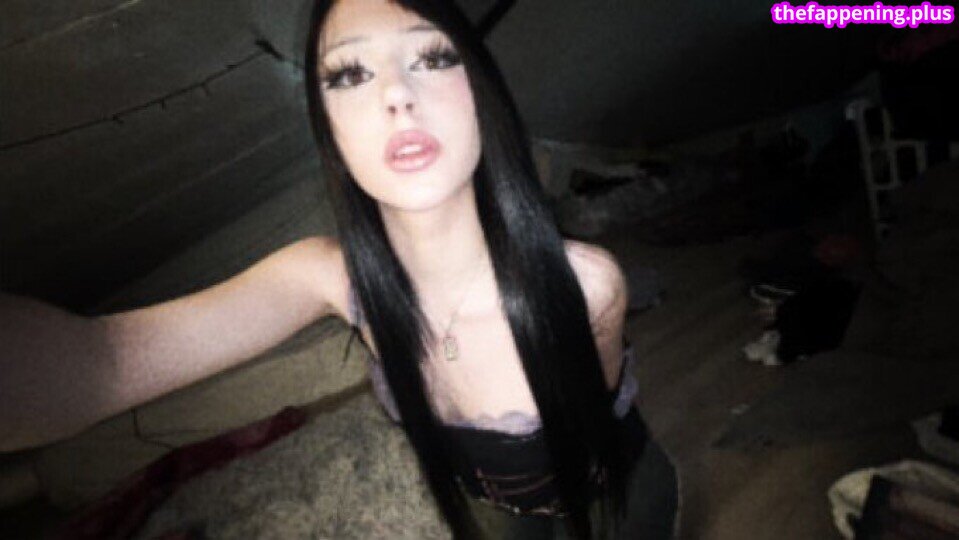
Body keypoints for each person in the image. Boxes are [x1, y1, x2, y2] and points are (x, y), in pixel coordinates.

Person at [0, 0, 678, 537]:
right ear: (329, 128)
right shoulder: (326, 277)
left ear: (481, 94)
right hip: (495, 513)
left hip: (614, 499)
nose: (397, 96)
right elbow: (102, 365)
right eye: (350, 75)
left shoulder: (586, 285)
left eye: (432, 57)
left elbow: (598, 430)